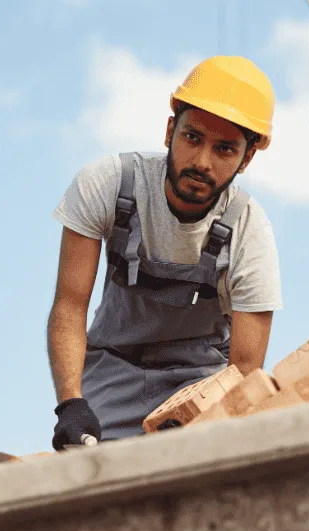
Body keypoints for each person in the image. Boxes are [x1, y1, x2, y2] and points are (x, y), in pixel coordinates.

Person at [46, 55, 283, 448]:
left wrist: (202, 419)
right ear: (170, 130)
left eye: (224, 149)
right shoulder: (109, 184)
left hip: (201, 384)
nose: (202, 162)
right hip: (111, 373)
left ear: (247, 158)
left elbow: (244, 368)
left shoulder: (249, 231)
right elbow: (70, 305)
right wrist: (71, 403)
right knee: (87, 474)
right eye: (193, 138)